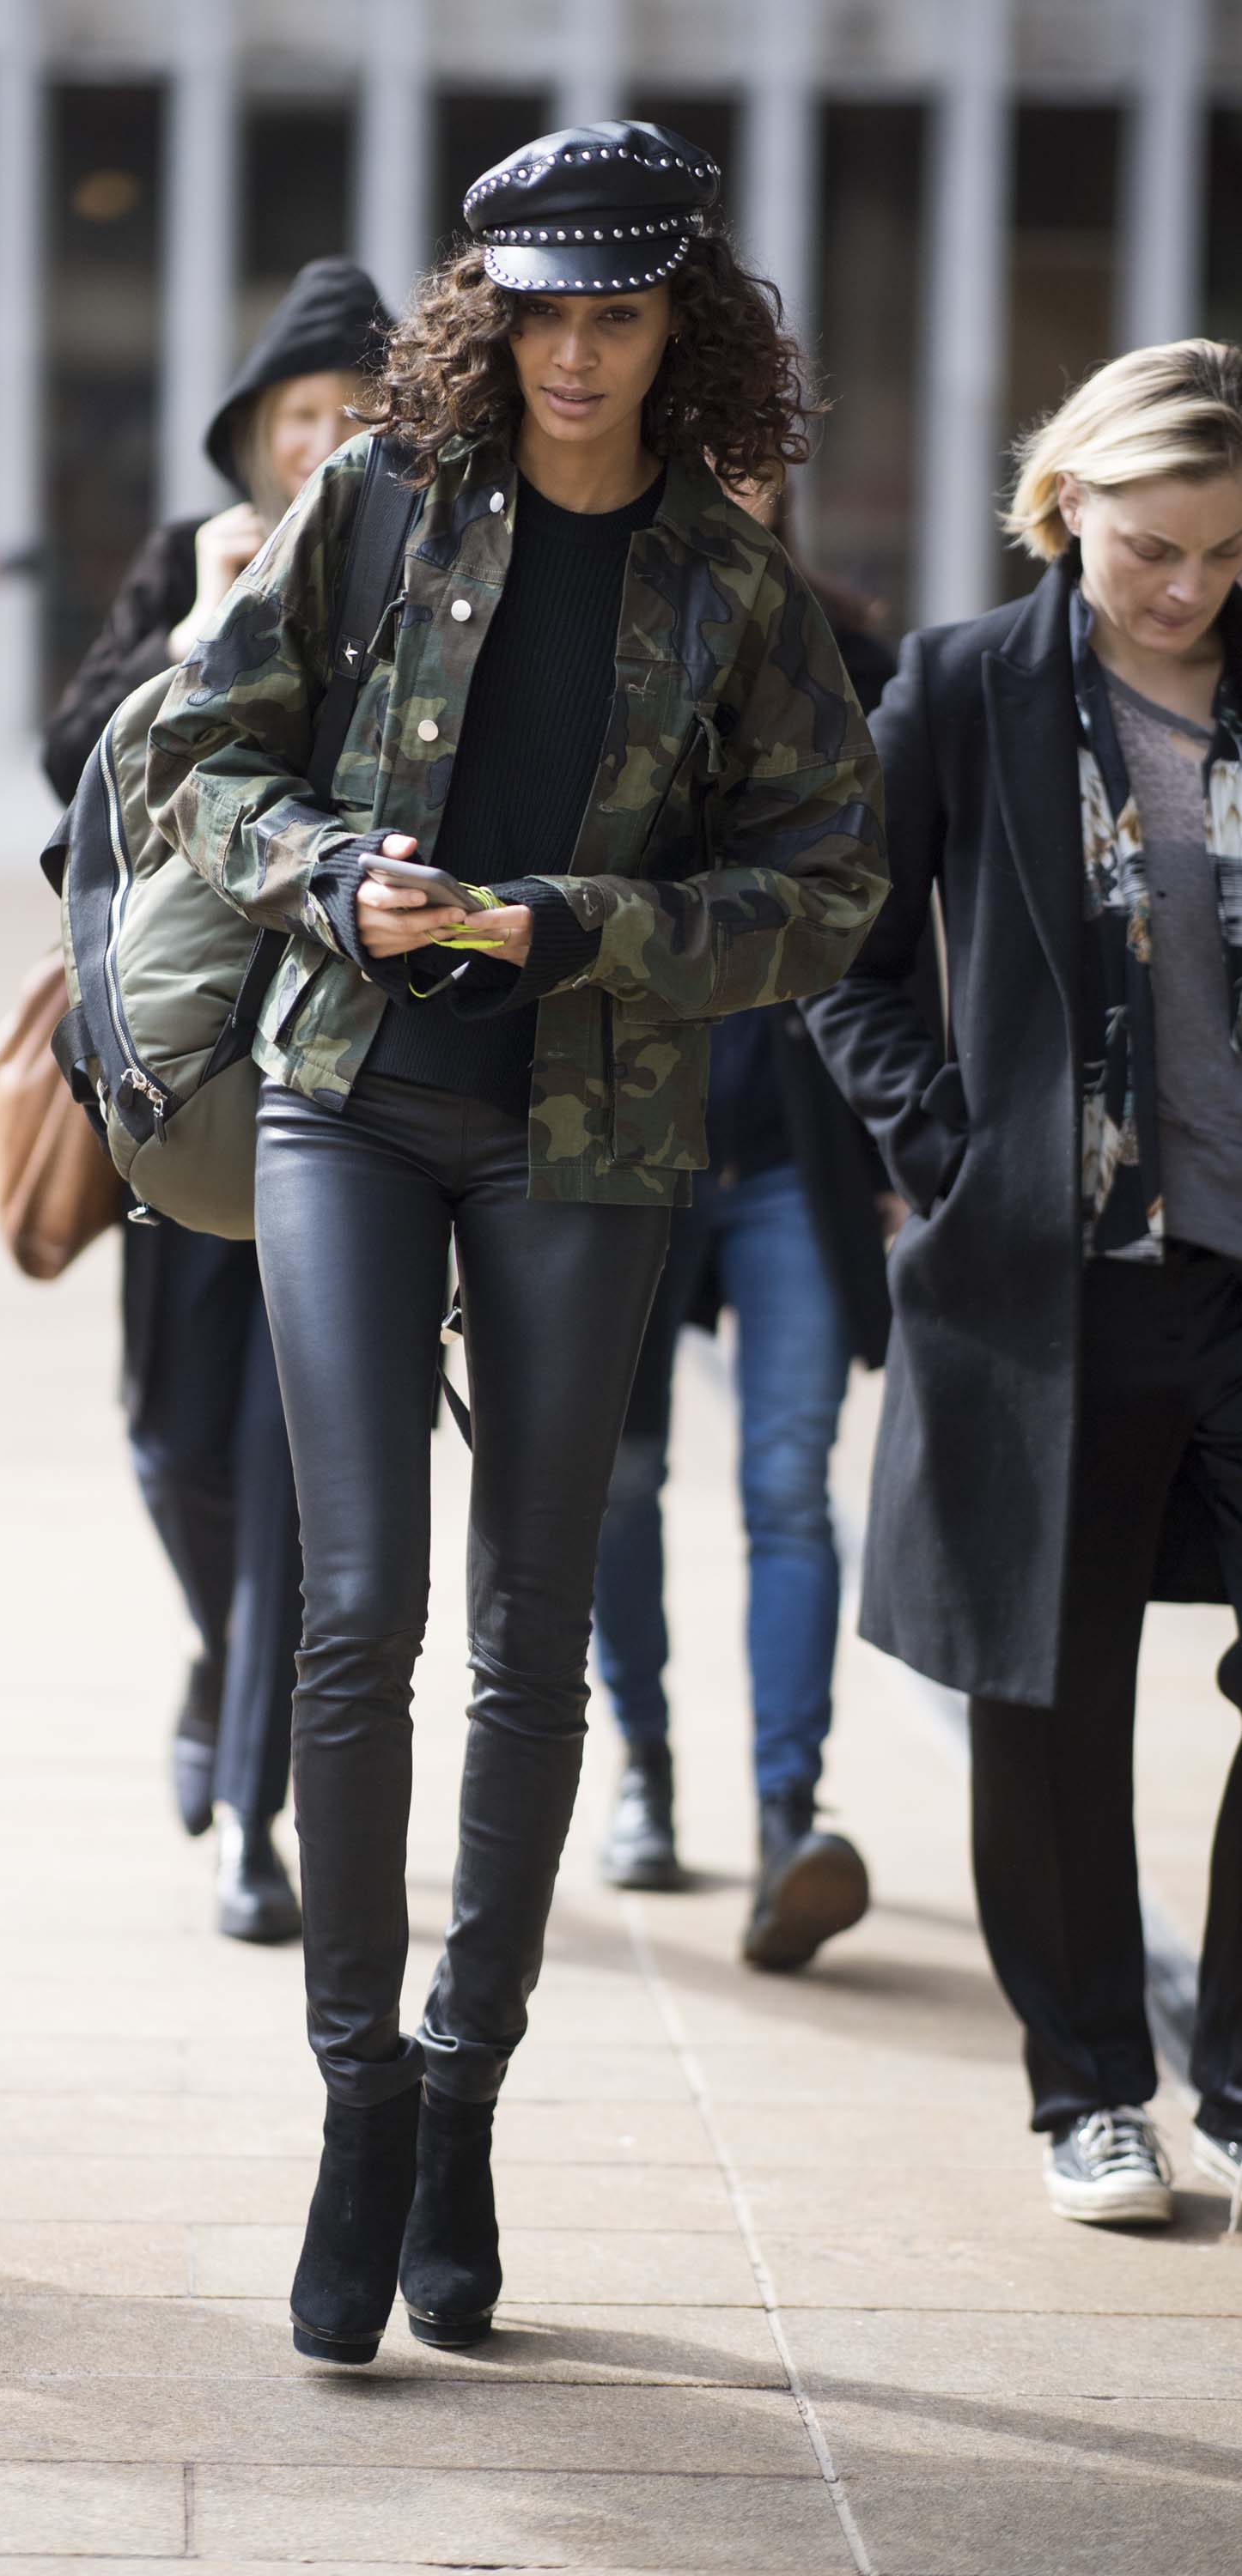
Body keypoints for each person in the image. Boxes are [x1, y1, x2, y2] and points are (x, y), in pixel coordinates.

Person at [147, 118, 886, 2365]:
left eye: (621, 312)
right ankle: (361, 2101)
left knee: (532, 1628)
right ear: (496, 314)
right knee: (360, 1611)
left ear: (690, 327)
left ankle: (471, 2083)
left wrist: (593, 926)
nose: (578, 353)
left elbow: (827, 894)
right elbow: (206, 751)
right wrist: (325, 869)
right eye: (545, 311)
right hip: (347, 1102)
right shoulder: (373, 502)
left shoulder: (737, 589)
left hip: (594, 1133)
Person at [804, 340, 1242, 2233]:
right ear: (1068, 509)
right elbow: (844, 954)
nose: (1194, 588)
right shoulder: (966, 690)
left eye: (1228, 554)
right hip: (1055, 1278)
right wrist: (944, 1147)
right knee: (1045, 1691)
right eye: (1157, 548)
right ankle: (1085, 2087)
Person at [41, 260, 392, 1944]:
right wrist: (196, 637)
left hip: (344, 1080)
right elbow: (73, 785)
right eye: (299, 421)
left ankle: (256, 1820)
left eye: (357, 418)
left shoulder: (426, 577)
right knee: (178, 1442)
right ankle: (216, 1656)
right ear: (256, 438)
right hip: (179, 1088)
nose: (326, 444)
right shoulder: (191, 562)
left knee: (291, 1467)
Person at [593, 491, 899, 1972]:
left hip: (793, 1153)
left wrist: (908, 1133)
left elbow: (898, 918)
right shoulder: (573, 634)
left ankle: (791, 1813)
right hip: (625, 1144)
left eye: (758, 467)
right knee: (617, 1479)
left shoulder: (854, 661)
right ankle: (640, 1769)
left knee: (786, 1479)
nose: (731, 491)